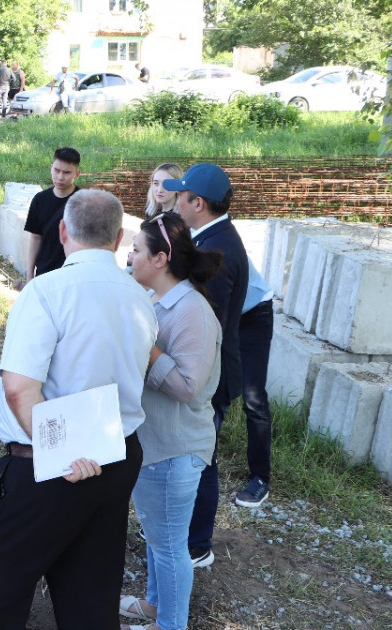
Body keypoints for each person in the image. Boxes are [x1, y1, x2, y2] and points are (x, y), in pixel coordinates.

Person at [0, 190, 158, 630]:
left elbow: (19, 389)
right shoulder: (140, 297)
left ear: (62, 231)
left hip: (53, 465)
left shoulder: (46, 291)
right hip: (117, 456)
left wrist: (65, 454)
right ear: (119, 238)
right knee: (90, 586)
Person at [122, 212, 223, 630]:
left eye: (136, 249)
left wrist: (146, 349)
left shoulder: (191, 312)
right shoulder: (158, 301)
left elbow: (188, 387)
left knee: (169, 546)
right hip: (157, 445)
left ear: (161, 258)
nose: (128, 255)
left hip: (175, 449)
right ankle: (155, 607)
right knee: (159, 537)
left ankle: (171, 625)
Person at [164, 163, 249, 569]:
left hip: (211, 378)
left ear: (197, 203)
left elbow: (202, 326)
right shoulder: (215, 238)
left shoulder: (218, 251)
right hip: (211, 372)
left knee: (200, 458)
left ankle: (196, 545)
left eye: (181, 196)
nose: (175, 201)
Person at [234, 262, 274, 508]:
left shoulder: (208, 236)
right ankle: (203, 467)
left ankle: (260, 477)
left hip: (253, 310)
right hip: (223, 308)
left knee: (253, 396)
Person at [24, 147, 81, 281]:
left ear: (77, 174)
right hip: (44, 272)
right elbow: (35, 238)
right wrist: (29, 275)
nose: (60, 177)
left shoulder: (83, 201)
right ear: (51, 168)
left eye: (67, 172)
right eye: (56, 170)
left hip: (72, 274)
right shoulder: (40, 199)